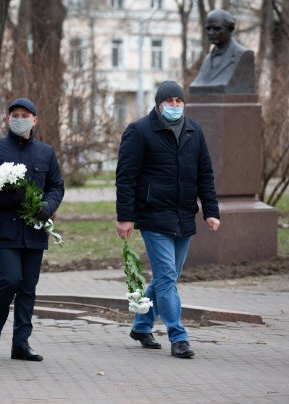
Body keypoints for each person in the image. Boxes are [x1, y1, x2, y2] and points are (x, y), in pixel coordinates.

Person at [116, 81, 221, 359]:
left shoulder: (193, 130)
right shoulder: (139, 131)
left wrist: (210, 211)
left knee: (167, 278)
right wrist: (125, 217)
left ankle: (141, 325)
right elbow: (126, 178)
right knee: (166, 279)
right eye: (169, 101)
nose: (175, 105)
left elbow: (205, 174)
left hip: (184, 216)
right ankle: (178, 336)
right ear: (158, 103)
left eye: (179, 101)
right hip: (153, 216)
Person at [0, 98, 64, 362]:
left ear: (34, 120)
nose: (19, 118)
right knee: (11, 279)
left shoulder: (45, 152)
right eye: (15, 114)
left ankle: (21, 343)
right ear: (8, 119)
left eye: (25, 115)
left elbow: (57, 185)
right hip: (5, 229)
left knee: (28, 286)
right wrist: (10, 199)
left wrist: (48, 206)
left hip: (35, 230)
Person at [189, 9, 254, 94]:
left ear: (229, 29)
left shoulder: (244, 54)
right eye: (208, 29)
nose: (211, 33)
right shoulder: (207, 59)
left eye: (217, 29)